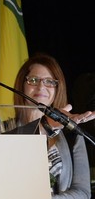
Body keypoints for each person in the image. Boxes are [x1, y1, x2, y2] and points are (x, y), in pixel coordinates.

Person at [13, 53, 92, 198]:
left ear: (57, 89)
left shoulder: (71, 133)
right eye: (34, 80)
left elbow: (83, 192)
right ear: (21, 86)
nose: (41, 86)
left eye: (49, 81)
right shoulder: (4, 130)